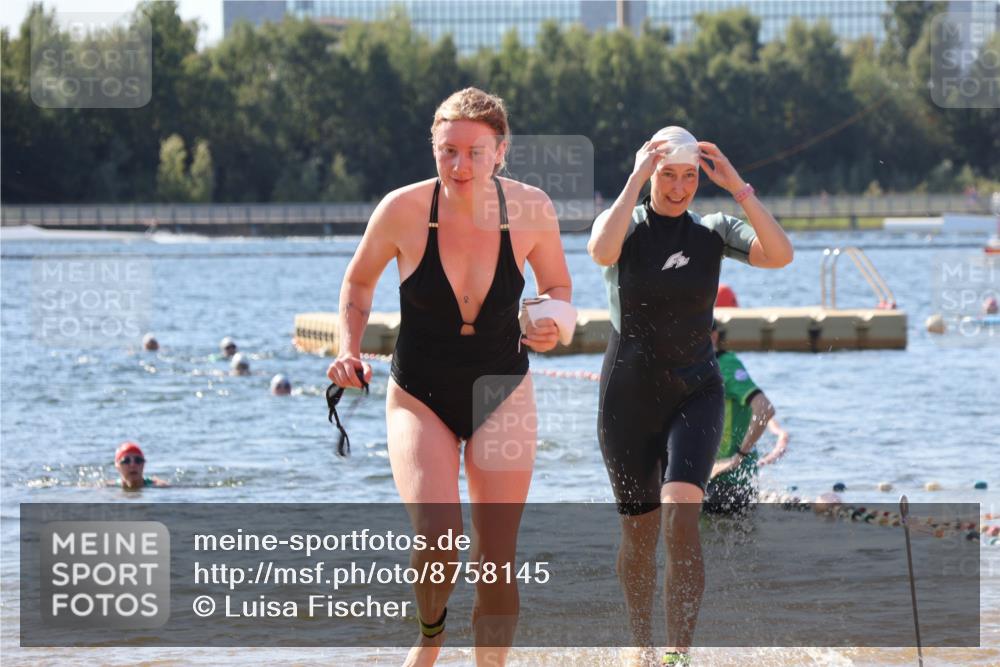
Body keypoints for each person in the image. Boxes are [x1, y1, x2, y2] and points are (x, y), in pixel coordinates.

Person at [325, 87, 572, 667]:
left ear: (500, 152)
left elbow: (560, 289)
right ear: (433, 149)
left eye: (474, 152)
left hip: (502, 389)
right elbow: (358, 285)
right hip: (420, 395)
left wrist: (551, 324)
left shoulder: (532, 209)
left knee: (495, 558)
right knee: (438, 546)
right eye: (448, 151)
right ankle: (431, 637)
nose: (460, 165)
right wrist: (347, 349)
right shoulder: (403, 210)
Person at [588, 125, 792, 665]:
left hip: (695, 390)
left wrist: (739, 186)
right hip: (627, 397)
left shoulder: (714, 230)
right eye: (667, 175)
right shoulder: (626, 225)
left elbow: (780, 255)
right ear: (651, 174)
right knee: (639, 535)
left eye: (689, 176)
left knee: (681, 519)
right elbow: (598, 250)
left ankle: (679, 655)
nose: (679, 187)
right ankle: (643, 646)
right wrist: (634, 176)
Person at [703, 320, 790, 516]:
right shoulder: (694, 370)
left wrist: (739, 456)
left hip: (731, 482)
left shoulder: (726, 365)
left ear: (713, 336)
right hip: (705, 478)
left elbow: (765, 409)